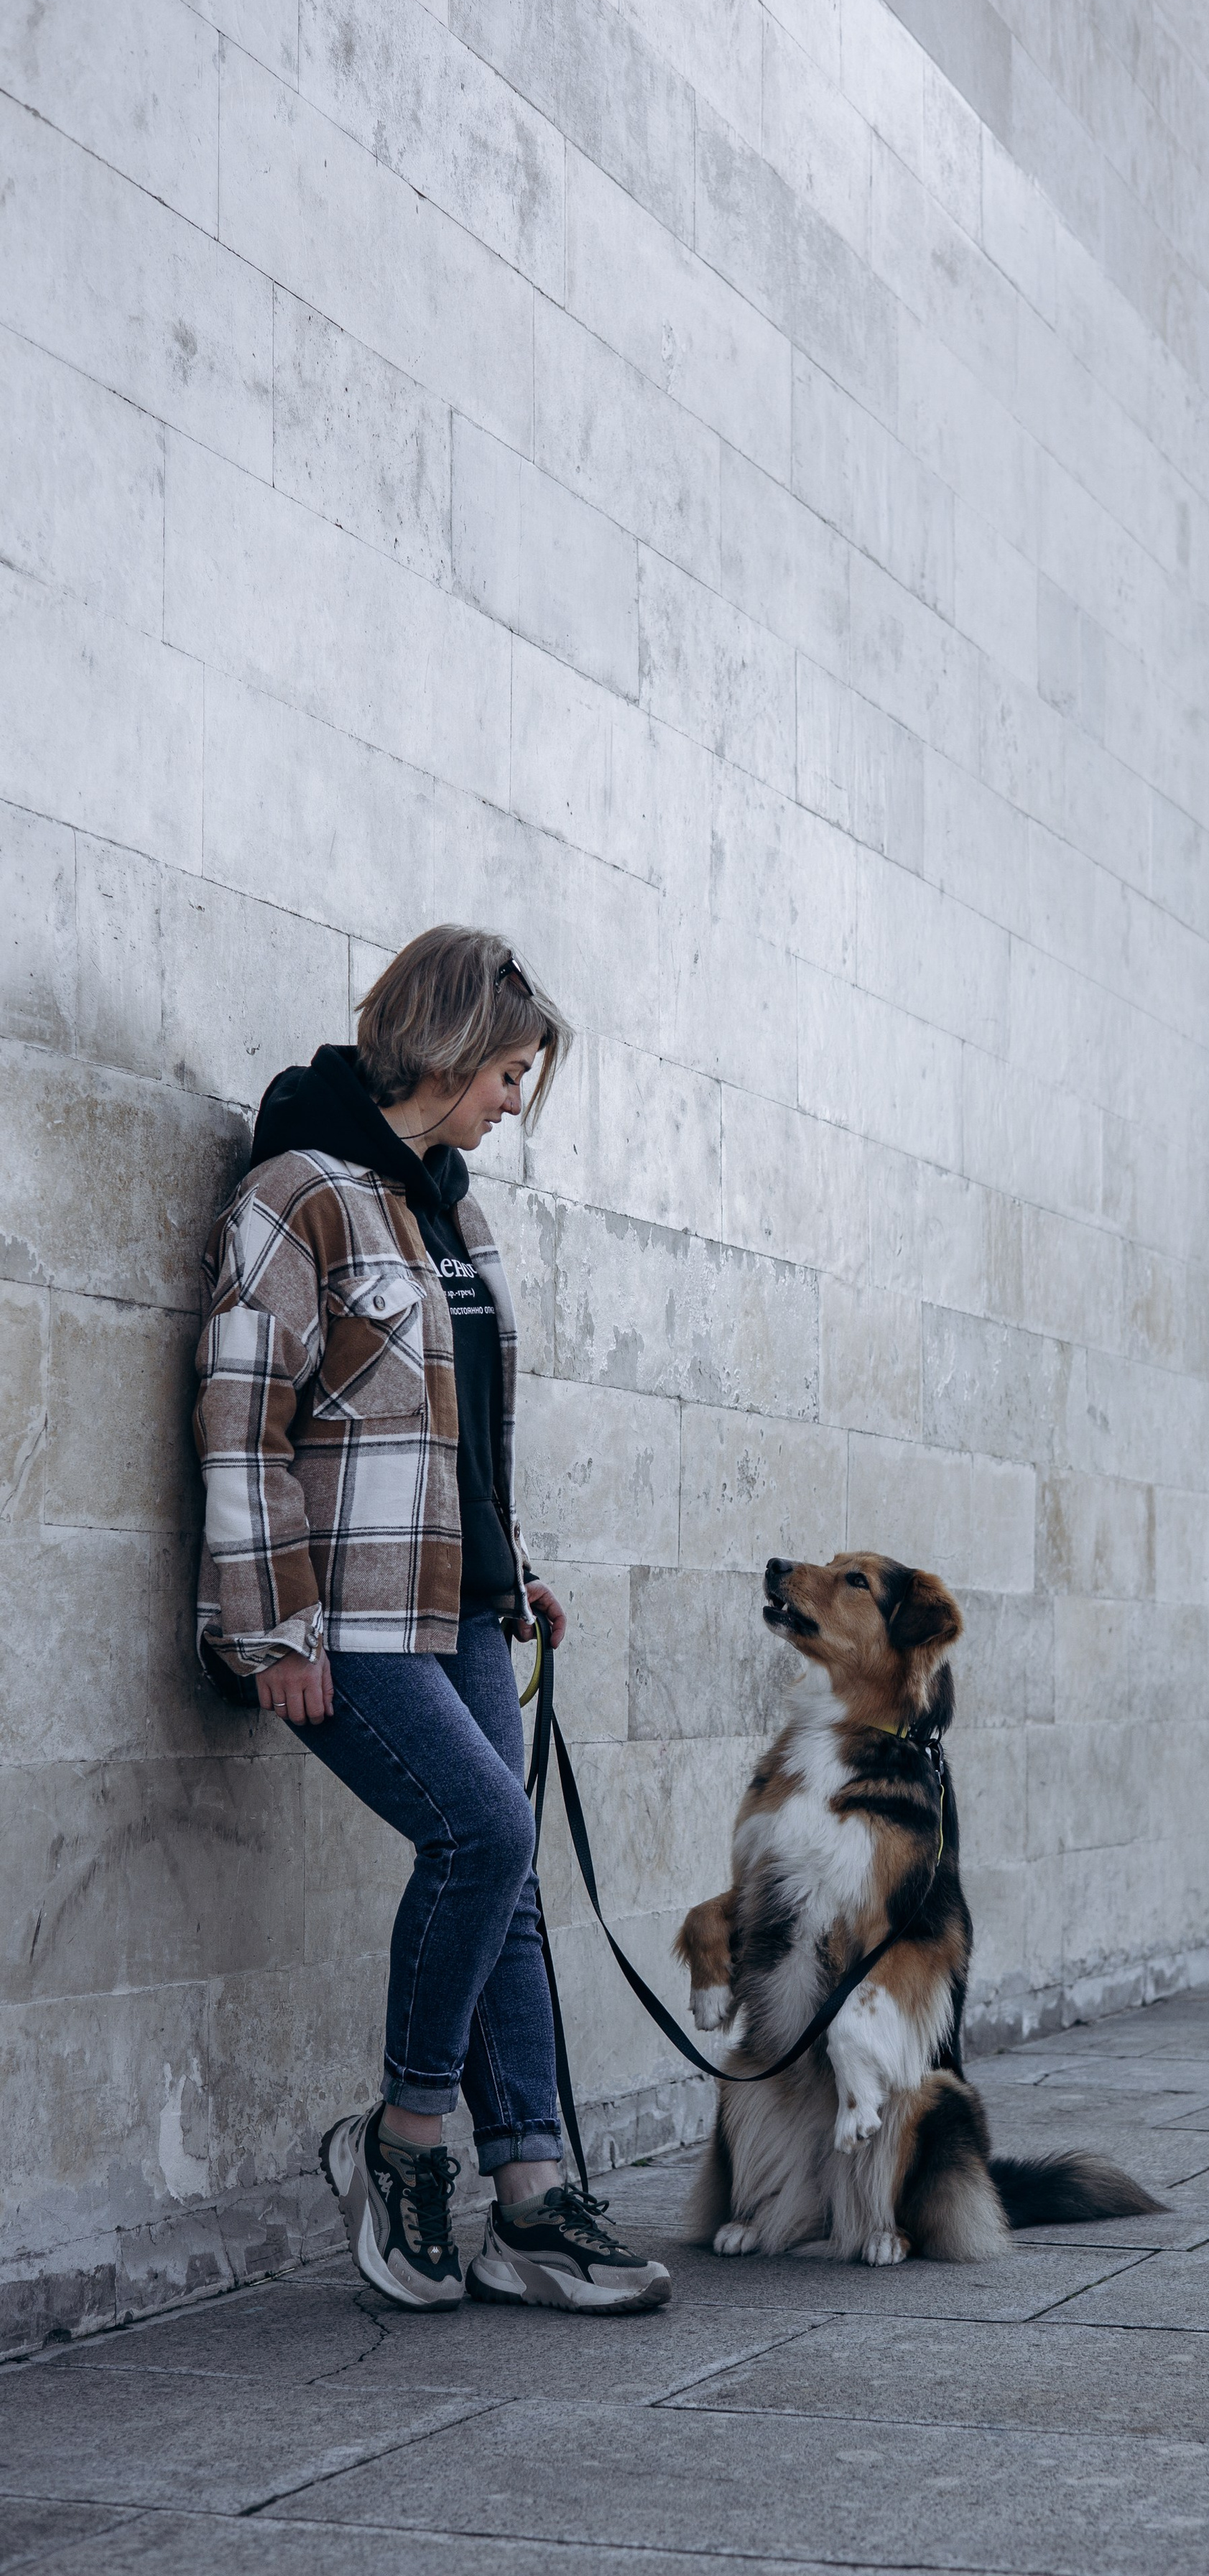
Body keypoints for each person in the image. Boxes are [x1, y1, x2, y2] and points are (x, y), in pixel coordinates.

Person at [193, 925, 670, 2317]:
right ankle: (404, 2143)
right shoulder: (302, 1195)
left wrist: (510, 1563)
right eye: (511, 1074)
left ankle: (527, 2195)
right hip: (344, 1617)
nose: (516, 1101)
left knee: (505, 1870)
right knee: (487, 1832)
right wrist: (274, 1627)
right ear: (451, 1052)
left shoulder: (448, 1209)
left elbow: (452, 1422)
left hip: (460, 1599)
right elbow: (241, 1423)